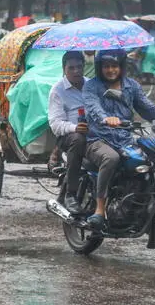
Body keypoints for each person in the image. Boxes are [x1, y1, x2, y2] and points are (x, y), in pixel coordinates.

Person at [82, 49, 155, 230]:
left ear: (122, 66)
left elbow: (148, 109)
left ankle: (141, 203)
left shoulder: (131, 86)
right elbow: (93, 107)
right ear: (100, 67)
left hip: (124, 138)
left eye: (114, 66)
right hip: (98, 139)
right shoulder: (91, 86)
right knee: (111, 158)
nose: (110, 70)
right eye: (106, 66)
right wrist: (105, 118)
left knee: (152, 157)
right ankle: (100, 210)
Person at [48, 51, 89, 213]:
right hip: (68, 137)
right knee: (78, 140)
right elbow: (55, 124)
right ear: (64, 69)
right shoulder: (57, 90)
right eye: (71, 68)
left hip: (93, 132)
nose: (76, 71)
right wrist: (74, 128)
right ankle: (70, 194)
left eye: (79, 67)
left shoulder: (91, 85)